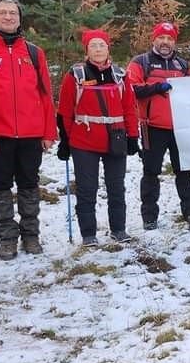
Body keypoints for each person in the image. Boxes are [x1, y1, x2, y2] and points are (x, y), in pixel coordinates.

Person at [0, 0, 56, 260]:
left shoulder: (33, 52)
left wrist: (49, 131)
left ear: (20, 18)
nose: (8, 17)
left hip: (30, 134)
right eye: (3, 13)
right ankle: (7, 238)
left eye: (13, 13)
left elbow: (45, 95)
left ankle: (31, 235)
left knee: (30, 185)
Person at [56, 29, 139, 246]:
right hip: (84, 141)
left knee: (116, 187)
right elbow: (65, 111)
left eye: (102, 45)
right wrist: (65, 141)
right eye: (93, 45)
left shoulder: (120, 75)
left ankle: (118, 229)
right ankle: (89, 234)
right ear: (86, 49)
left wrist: (133, 136)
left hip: (116, 138)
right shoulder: (76, 75)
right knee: (86, 188)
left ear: (108, 47)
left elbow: (129, 108)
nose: (98, 49)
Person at [127, 21, 190, 229]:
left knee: (183, 170)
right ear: (154, 39)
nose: (165, 42)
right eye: (162, 37)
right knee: (151, 172)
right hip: (153, 127)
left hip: (180, 127)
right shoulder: (141, 62)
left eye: (170, 39)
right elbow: (132, 89)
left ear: (174, 42)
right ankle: (149, 216)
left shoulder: (183, 65)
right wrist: (158, 87)